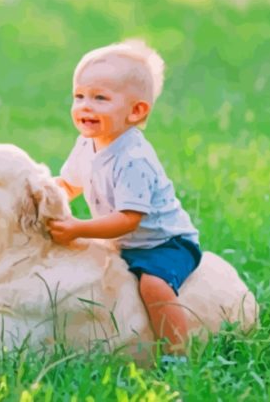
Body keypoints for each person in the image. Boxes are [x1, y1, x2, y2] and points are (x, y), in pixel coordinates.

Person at [48, 39, 202, 360]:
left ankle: (178, 355)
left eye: (100, 98)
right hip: (122, 242)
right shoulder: (87, 143)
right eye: (79, 96)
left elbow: (129, 219)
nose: (85, 106)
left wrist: (78, 228)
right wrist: (43, 199)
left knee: (153, 286)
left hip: (164, 243)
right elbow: (67, 184)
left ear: (136, 111)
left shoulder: (133, 157)